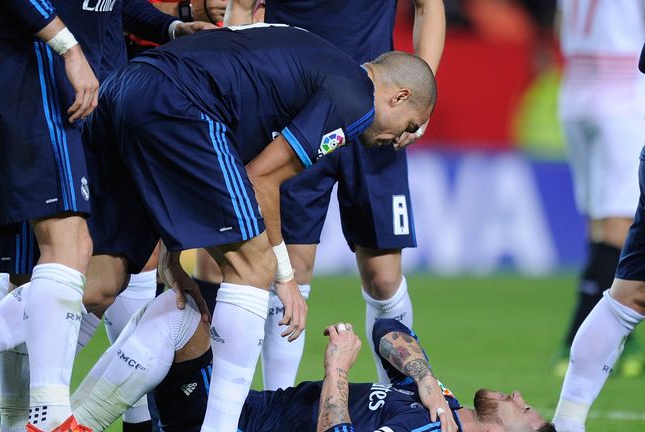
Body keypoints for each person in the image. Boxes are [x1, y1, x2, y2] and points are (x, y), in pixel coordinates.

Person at [80, 23, 436, 432]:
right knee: (254, 268)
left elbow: (189, 179)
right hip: (177, 103)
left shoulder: (305, 62)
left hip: (129, 86)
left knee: (98, 283)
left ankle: (30, 412)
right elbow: (261, 179)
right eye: (412, 125)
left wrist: (172, 258)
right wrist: (283, 276)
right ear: (400, 96)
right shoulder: (356, 98)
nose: (403, 138)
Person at [0, 1, 214, 430]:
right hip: (41, 76)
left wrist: (171, 26)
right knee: (61, 252)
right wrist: (70, 50)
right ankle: (42, 416)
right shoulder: (50, 53)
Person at [189, 0, 446, 391]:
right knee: (290, 264)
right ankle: (279, 399)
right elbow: (240, 8)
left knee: (384, 277)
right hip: (301, 111)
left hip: (381, 110)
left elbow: (428, 7)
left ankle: (401, 400)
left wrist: (418, 108)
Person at [67, 289, 556, 432]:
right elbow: (388, 328)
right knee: (176, 304)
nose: (518, 396)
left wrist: (337, 369)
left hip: (236, 425)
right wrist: (424, 376)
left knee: (179, 314)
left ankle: (72, 423)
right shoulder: (439, 403)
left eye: (527, 411)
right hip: (240, 407)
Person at [552, 39, 645, 432]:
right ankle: (568, 423)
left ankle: (567, 422)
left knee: (630, 288)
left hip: (577, 89)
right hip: (614, 94)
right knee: (628, 289)